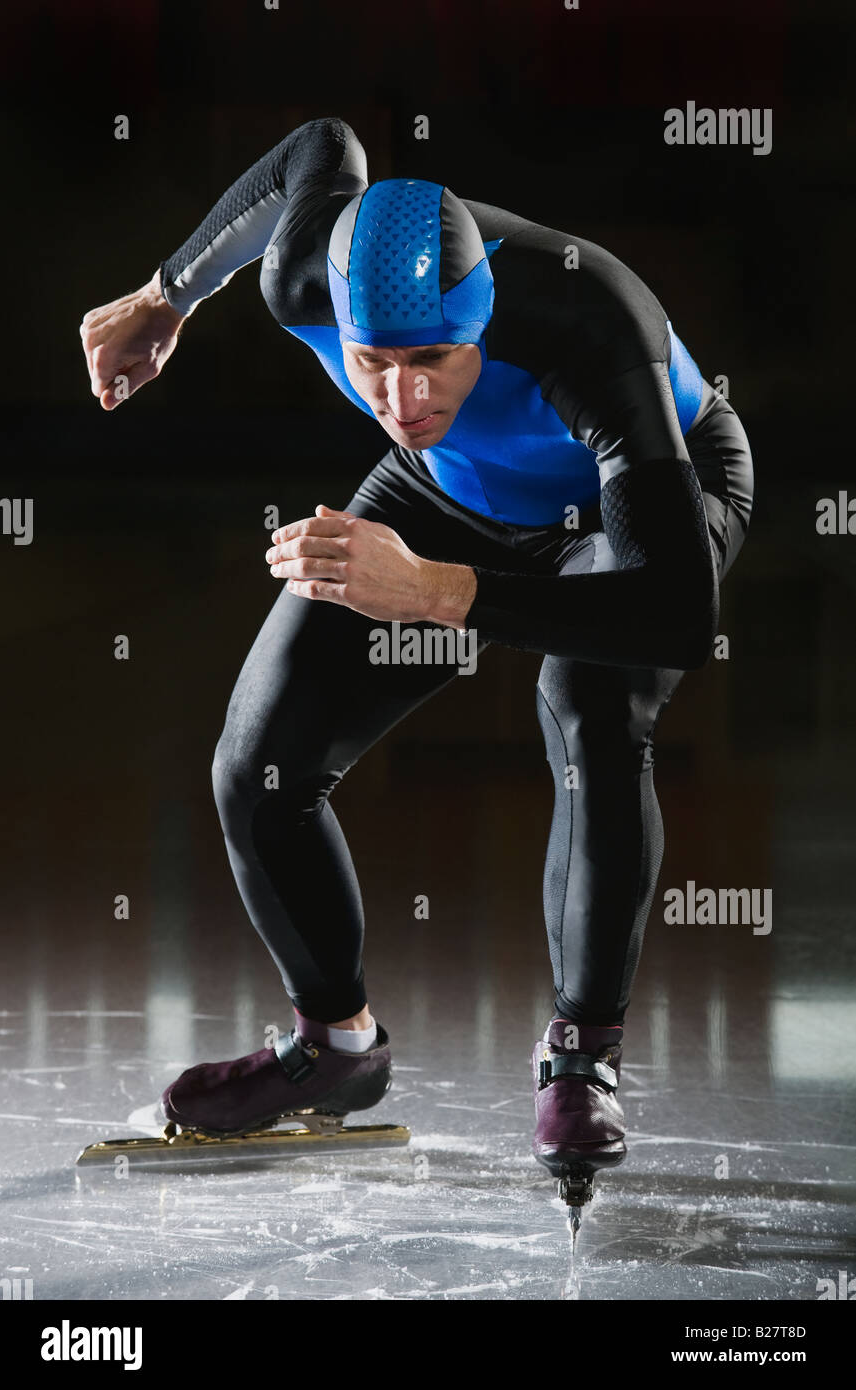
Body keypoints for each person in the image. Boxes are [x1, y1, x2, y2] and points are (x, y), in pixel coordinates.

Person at [80, 117, 753, 1179]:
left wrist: (435, 590)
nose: (401, 398)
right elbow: (319, 149)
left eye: (434, 360)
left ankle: (581, 1058)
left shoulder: (588, 319)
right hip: (452, 492)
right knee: (256, 769)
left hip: (637, 500)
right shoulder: (304, 279)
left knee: (588, 705)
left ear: (479, 319)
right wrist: (165, 294)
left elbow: (671, 613)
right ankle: (334, 1045)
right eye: (371, 366)